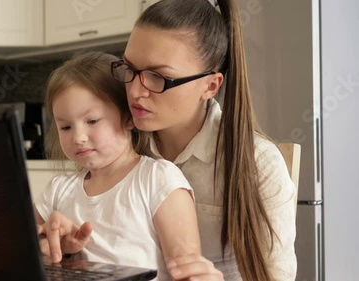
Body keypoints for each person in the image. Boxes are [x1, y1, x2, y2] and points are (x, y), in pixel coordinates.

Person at [110, 0, 297, 280]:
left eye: (157, 77)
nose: (136, 91)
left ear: (210, 86)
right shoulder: (115, 145)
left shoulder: (259, 164)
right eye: (130, 69)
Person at [34, 51, 202, 281]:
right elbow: (22, 252)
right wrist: (50, 245)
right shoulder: (58, 190)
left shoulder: (158, 180)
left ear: (129, 116)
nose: (78, 137)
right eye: (65, 127)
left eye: (92, 121)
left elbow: (190, 272)